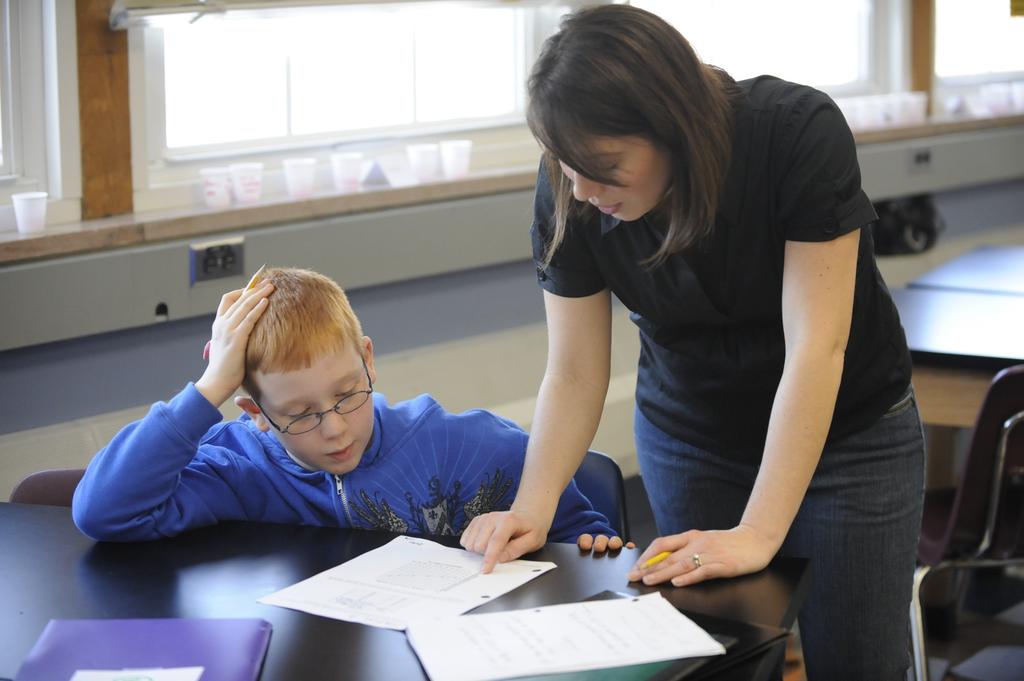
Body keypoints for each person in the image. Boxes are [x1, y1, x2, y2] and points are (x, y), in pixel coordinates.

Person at [459, 6, 924, 680]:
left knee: (859, 663)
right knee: (710, 661)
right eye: (567, 164)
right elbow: (574, 371)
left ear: (670, 124)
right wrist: (533, 506)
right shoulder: (572, 186)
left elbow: (816, 347)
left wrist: (760, 532)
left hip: (848, 438)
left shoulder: (793, 133)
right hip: (694, 434)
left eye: (606, 165)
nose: (585, 192)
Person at [73, 267, 624, 549]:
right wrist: (209, 386)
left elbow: (578, 534)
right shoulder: (235, 467)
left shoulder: (468, 446)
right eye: (301, 413)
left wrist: (591, 545)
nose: (334, 428)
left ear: (368, 360)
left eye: (346, 395)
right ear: (255, 412)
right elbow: (105, 511)